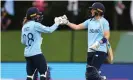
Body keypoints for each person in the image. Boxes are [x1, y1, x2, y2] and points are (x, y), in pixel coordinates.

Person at [61, 2, 111, 80]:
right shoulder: (89, 21)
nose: (91, 11)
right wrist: (67, 22)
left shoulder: (104, 22)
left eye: (93, 10)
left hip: (100, 50)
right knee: (89, 75)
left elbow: (107, 36)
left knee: (92, 73)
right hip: (90, 50)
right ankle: (101, 78)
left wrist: (99, 43)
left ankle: (101, 78)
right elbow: (77, 27)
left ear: (98, 11)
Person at [21, 7, 62, 80]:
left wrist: (36, 39)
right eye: (37, 15)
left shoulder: (24, 26)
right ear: (33, 16)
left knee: (30, 75)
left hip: (27, 54)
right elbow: (49, 30)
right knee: (44, 73)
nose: (38, 16)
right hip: (36, 53)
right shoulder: (35, 25)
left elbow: (23, 42)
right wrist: (57, 23)